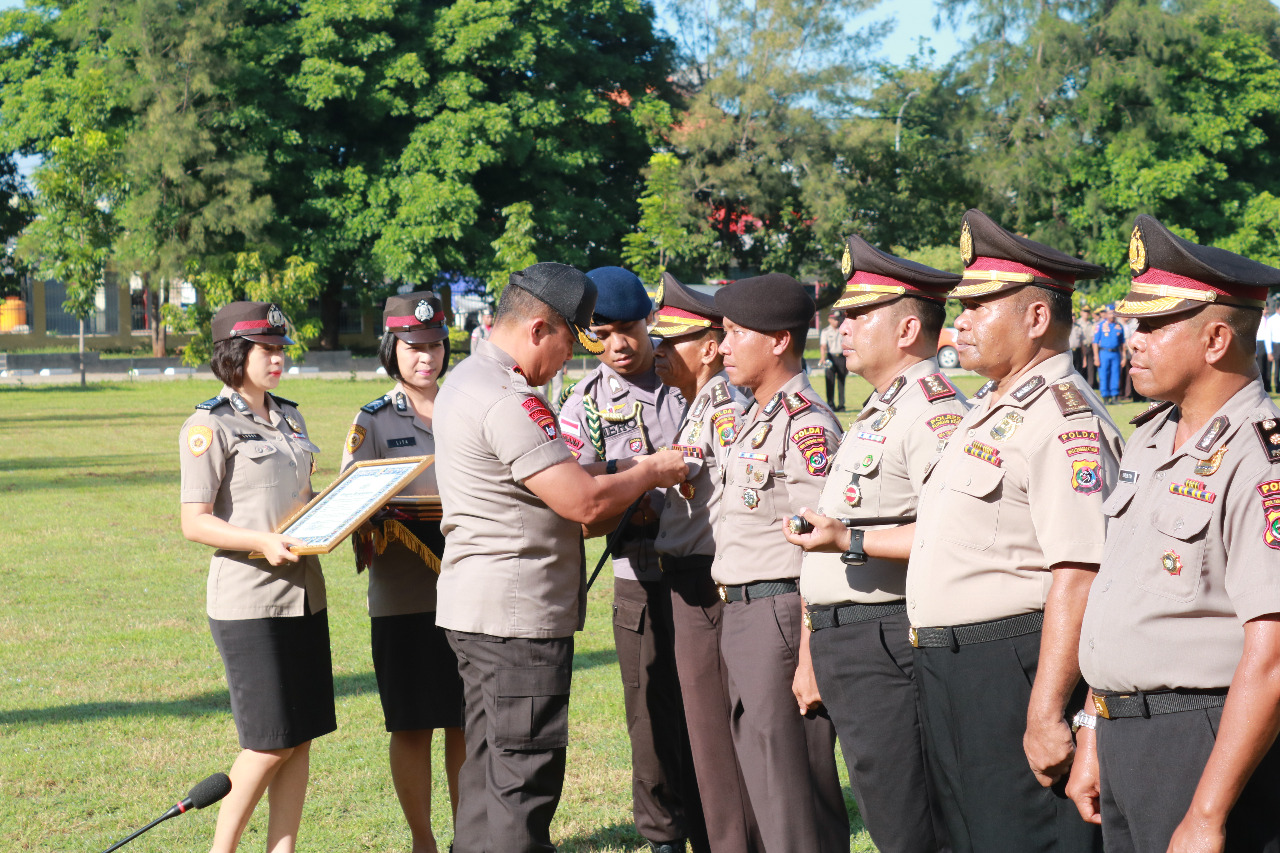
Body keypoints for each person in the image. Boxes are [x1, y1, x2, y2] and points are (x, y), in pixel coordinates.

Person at [827, 209, 1123, 852]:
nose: (958, 321)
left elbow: (1081, 572)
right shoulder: (990, 407)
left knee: (1022, 835)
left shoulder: (1063, 420)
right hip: (948, 664)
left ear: (1036, 319)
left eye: (980, 306)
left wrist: (1047, 711)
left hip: (1012, 665)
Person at [432, 262, 690, 853]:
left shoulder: (468, 379)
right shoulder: (511, 400)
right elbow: (581, 501)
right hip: (516, 621)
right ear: (540, 328)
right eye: (573, 341)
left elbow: (556, 476)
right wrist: (651, 469)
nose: (573, 358)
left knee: (487, 774)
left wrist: (620, 470)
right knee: (522, 780)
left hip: (480, 614)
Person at [1067, 215, 1280, 853]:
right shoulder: (1150, 438)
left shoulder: (1260, 459)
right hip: (1128, 738)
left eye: (1155, 325)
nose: (1134, 339)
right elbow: (1122, 607)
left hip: (1205, 742)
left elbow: (1271, 658)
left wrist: (1209, 813)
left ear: (1216, 339)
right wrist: (1095, 731)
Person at [783, 234, 962, 853]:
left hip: (885, 636)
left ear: (909, 328)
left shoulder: (932, 412)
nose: (843, 324)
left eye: (860, 314)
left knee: (908, 819)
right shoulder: (883, 407)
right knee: (888, 814)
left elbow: (951, 537)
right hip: (850, 637)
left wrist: (847, 538)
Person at [556, 266, 704, 853]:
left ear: (649, 323)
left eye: (628, 328)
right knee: (649, 711)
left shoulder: (691, 375)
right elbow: (579, 497)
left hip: (706, 569)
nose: (619, 344)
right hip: (637, 575)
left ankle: (720, 818)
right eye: (603, 332)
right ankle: (664, 832)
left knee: (711, 700)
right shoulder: (583, 404)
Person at [178, 301, 334, 853]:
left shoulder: (291, 416)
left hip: (305, 597)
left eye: (281, 349)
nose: (278, 359)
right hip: (249, 604)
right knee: (269, 742)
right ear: (235, 354)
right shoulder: (208, 426)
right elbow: (194, 523)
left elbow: (303, 500)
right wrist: (262, 542)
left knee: (302, 737)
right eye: (267, 350)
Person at [711, 273, 849, 853]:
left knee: (791, 789)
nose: (721, 347)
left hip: (780, 615)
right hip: (746, 614)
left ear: (777, 341)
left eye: (736, 333)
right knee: (765, 779)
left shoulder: (806, 423)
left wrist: (811, 656)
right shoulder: (755, 415)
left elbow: (821, 548)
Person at [341, 292, 464, 853]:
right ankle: (423, 841)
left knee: (465, 724)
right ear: (393, 349)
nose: (427, 357)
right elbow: (347, 503)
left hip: (469, 593)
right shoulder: (372, 421)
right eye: (414, 347)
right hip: (403, 597)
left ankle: (472, 836)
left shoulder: (470, 405)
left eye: (435, 345)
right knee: (411, 724)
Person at [650, 272, 761, 853]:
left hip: (708, 583)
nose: (659, 352)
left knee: (717, 737)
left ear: (712, 347)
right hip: (689, 582)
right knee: (704, 736)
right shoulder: (697, 405)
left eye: (673, 342)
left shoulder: (724, 410)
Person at [1093, 305, 1125, 403]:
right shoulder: (1100, 326)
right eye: (1110, 313)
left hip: (1115, 354)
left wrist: (1123, 357)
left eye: (1113, 313)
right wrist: (1096, 357)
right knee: (1103, 374)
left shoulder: (1119, 326)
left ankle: (1115, 396)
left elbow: (1122, 343)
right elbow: (1095, 342)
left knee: (1115, 374)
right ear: (1106, 314)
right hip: (1104, 353)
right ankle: (1105, 397)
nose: (1112, 315)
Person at [819, 310, 847, 411]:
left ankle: (841, 405)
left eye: (838, 319)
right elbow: (823, 346)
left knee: (841, 381)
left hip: (842, 357)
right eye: (834, 319)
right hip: (830, 358)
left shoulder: (843, 330)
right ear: (829, 319)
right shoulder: (826, 331)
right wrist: (823, 357)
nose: (836, 321)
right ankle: (830, 404)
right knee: (829, 381)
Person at [1255, 300, 1273, 393]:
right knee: (1260, 367)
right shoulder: (1257, 320)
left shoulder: (1268, 320)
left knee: (1268, 367)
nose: (1267, 311)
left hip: (1268, 344)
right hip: (1259, 344)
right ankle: (1260, 387)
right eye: (1265, 309)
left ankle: (1267, 386)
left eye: (1267, 309)